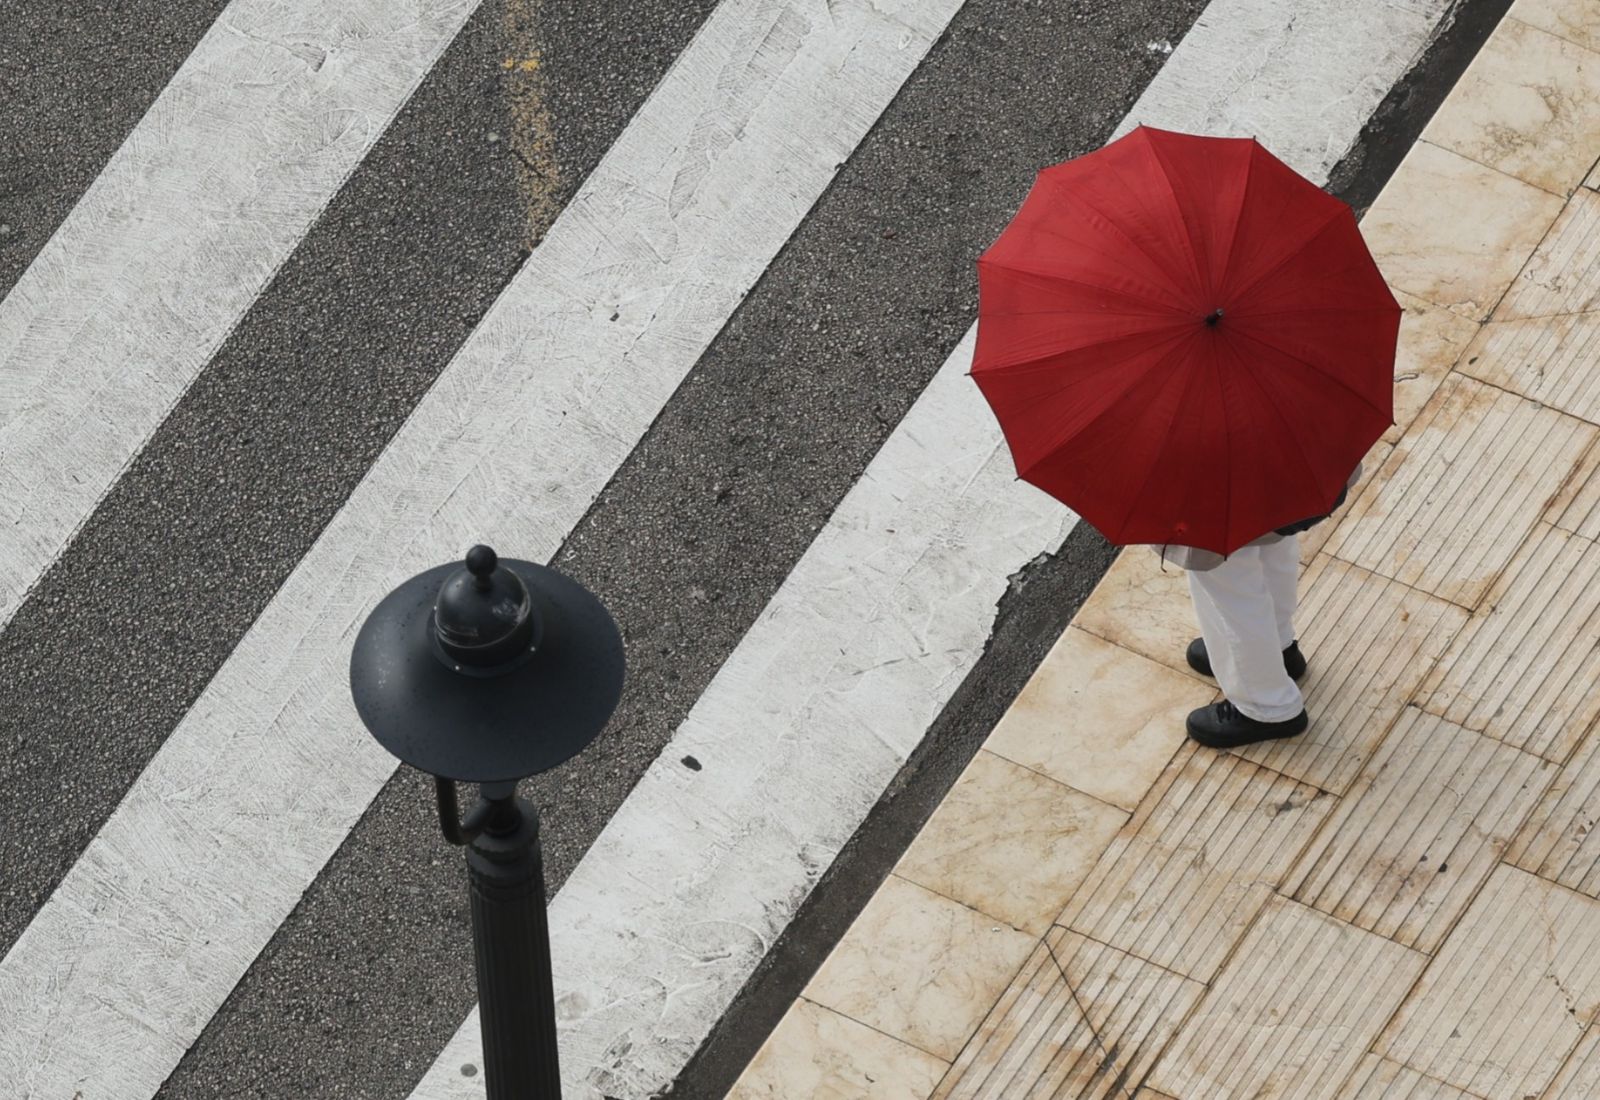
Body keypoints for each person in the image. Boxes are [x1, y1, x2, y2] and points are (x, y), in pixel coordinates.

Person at [1157, 462, 1363, 749]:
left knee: (1227, 582)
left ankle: (1265, 705)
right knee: (1271, 528)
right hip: (1283, 463)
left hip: (1211, 481)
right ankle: (1276, 650)